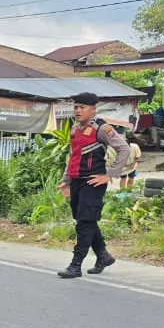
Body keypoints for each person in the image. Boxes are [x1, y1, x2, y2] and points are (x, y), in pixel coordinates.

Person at [58, 92, 130, 279]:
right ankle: (103, 256)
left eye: (82, 108)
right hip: (76, 181)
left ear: (93, 109)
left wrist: (110, 175)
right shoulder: (75, 128)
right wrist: (66, 179)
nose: (78, 111)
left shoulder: (101, 128)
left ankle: (75, 265)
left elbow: (124, 148)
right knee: (84, 219)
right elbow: (73, 156)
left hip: (93, 181)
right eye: (76, 107)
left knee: (85, 222)